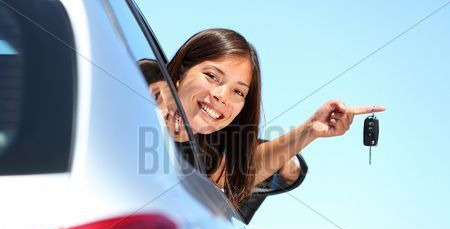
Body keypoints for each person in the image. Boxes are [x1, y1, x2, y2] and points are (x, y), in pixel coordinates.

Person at [140, 28, 385, 209]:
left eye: (238, 91)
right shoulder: (138, 81)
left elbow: (243, 171)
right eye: (212, 76)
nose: (221, 96)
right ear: (181, 72)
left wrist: (310, 129)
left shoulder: (203, 152)